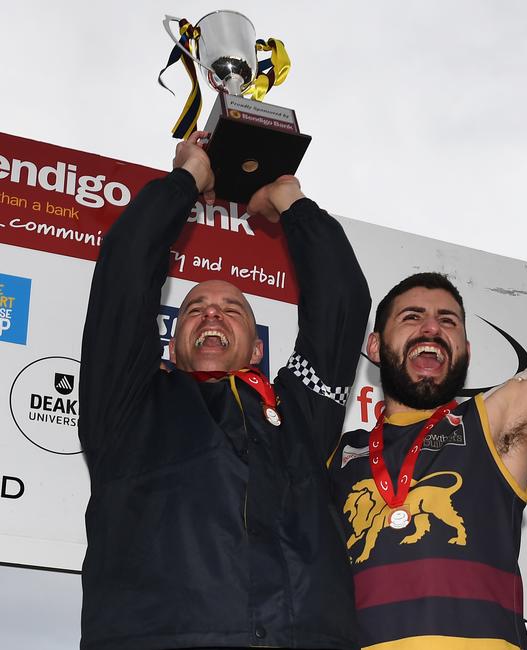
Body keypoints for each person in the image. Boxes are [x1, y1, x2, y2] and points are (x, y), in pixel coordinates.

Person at [328, 133, 527, 650]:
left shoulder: (493, 424)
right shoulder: (338, 456)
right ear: (376, 346)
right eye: (412, 317)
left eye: (447, 320)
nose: (431, 328)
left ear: (466, 350)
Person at [79, 131, 371, 650]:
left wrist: (288, 198)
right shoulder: (129, 407)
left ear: (257, 350)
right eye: (194, 308)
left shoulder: (298, 411)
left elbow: (341, 298)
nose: (212, 312)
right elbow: (125, 269)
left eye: (233, 309)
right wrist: (189, 177)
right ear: (171, 345)